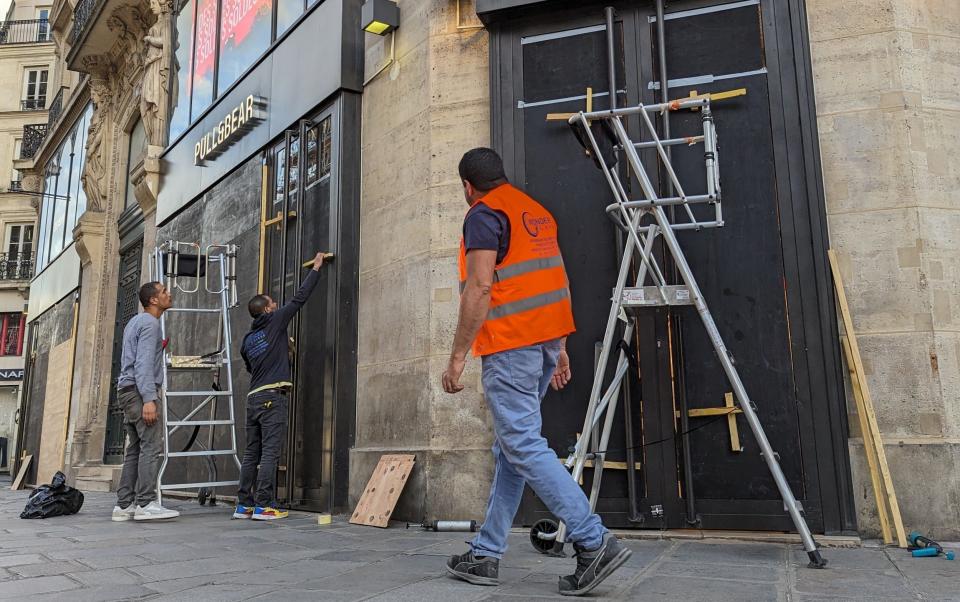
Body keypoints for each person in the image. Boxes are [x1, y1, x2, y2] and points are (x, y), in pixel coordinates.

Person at [441, 148, 631, 596]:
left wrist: (456, 357)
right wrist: (559, 347)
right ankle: (486, 554)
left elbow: (480, 285)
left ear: (468, 186)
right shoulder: (535, 212)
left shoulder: (483, 215)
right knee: (511, 451)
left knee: (523, 445)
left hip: (511, 346)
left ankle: (593, 539)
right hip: (542, 343)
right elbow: (556, 280)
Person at [234, 251, 329, 521]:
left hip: (253, 397)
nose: (276, 305)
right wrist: (317, 268)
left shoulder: (248, 339)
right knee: (271, 451)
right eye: (273, 303)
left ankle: (244, 504)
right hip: (272, 397)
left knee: (252, 451)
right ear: (266, 309)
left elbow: (253, 367)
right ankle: (264, 505)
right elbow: (299, 299)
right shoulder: (275, 321)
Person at [112, 281, 179, 522]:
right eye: (164, 292)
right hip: (140, 393)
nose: (169, 295)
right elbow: (142, 364)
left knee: (135, 449)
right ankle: (146, 503)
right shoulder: (151, 324)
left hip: (127, 390)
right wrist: (150, 399)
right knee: (150, 446)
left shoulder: (135, 321)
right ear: (153, 300)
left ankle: (124, 505)